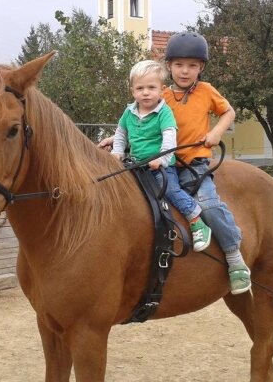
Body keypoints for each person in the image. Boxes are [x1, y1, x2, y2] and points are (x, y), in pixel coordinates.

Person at [101, 32, 251, 295]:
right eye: (179, 65)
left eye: (192, 65)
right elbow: (145, 124)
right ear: (169, 66)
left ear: (201, 68)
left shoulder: (206, 92)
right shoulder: (161, 94)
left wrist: (216, 133)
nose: (185, 71)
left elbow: (228, 112)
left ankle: (234, 256)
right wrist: (117, 139)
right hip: (163, 162)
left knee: (208, 205)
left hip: (194, 163)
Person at [111, 60, 212, 251]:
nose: (145, 92)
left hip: (160, 166)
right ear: (133, 91)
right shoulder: (129, 111)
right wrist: (117, 152)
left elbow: (169, 138)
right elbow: (121, 132)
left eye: (151, 87)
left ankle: (196, 219)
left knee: (170, 191)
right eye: (140, 88)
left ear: (162, 89)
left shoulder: (164, 113)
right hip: (136, 165)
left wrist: (163, 158)